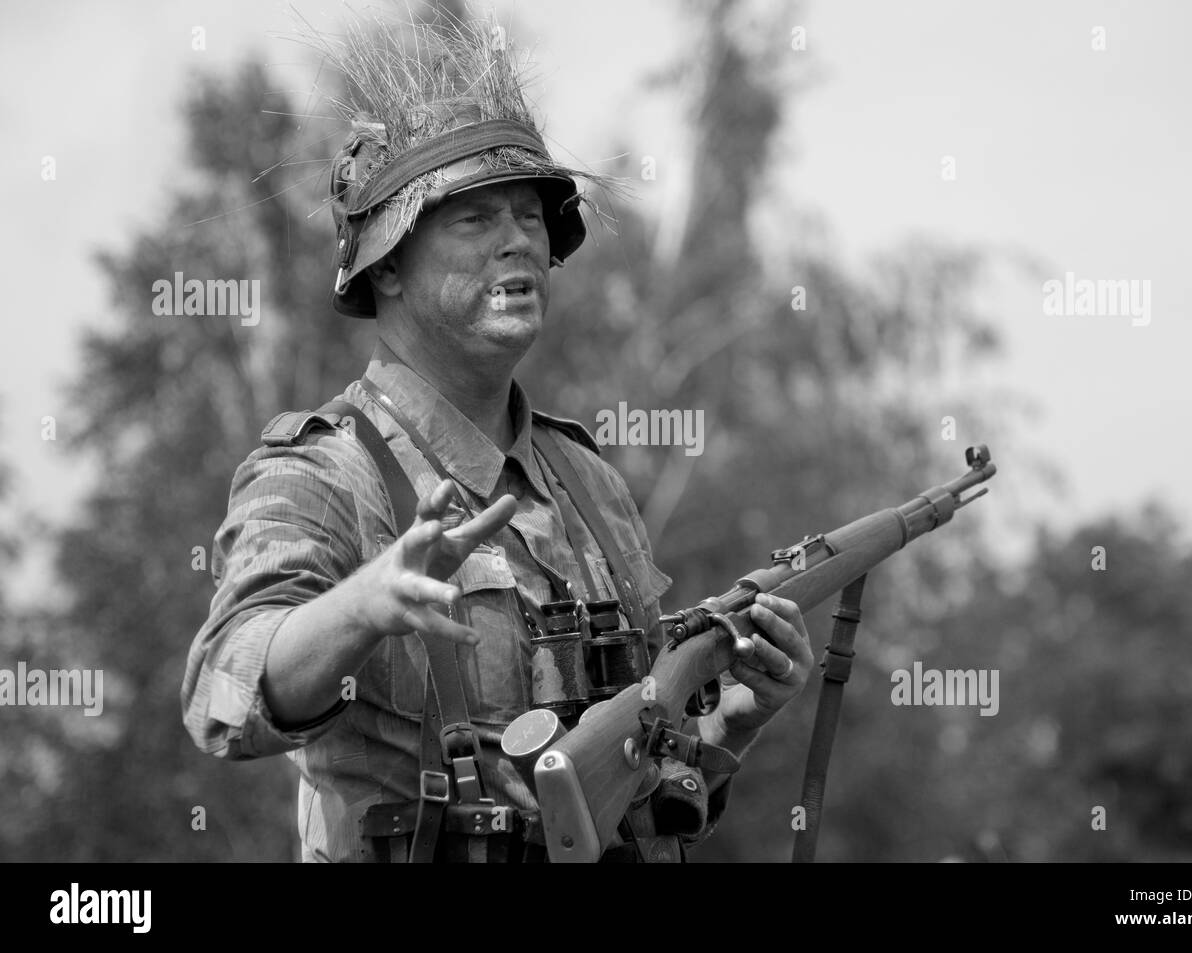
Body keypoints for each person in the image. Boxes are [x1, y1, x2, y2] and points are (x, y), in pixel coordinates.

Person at [181, 13, 812, 863]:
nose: (519, 238)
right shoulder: (327, 471)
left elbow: (630, 779)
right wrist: (363, 604)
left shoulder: (586, 481)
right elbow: (223, 691)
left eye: (530, 215)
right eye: (474, 219)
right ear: (389, 264)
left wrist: (735, 720)